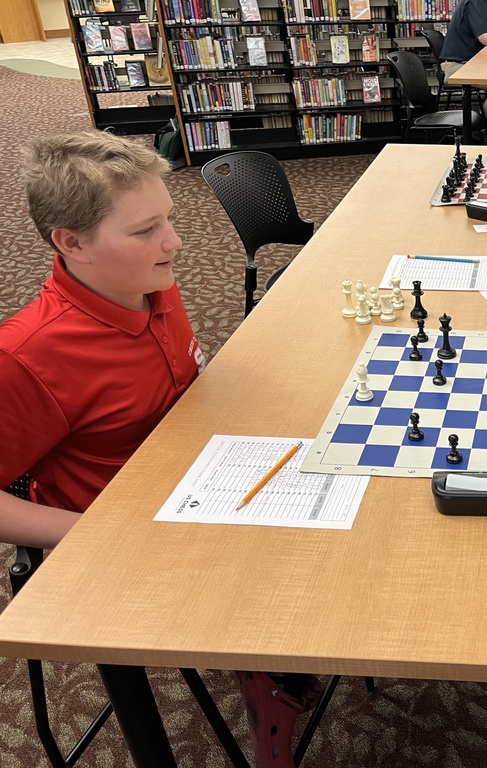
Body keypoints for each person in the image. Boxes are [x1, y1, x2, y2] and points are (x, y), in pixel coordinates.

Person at [0, 130, 318, 768]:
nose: (175, 242)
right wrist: (93, 531)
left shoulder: (152, 285)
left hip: (194, 477)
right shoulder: (28, 357)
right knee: (292, 572)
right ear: (71, 243)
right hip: (115, 529)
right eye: (146, 231)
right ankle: (272, 692)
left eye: (170, 218)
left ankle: (285, 662)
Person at [439, 0, 487, 142]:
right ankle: (483, 130)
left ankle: (485, 127)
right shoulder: (477, 2)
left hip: (473, 63)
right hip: (457, 67)